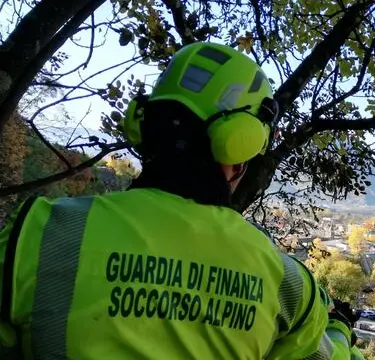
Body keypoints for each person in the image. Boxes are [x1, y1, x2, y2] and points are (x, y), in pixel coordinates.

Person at [0, 42, 355, 359]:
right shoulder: (286, 283)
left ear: (143, 124)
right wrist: (339, 327)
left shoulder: (38, 233)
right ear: (239, 144)